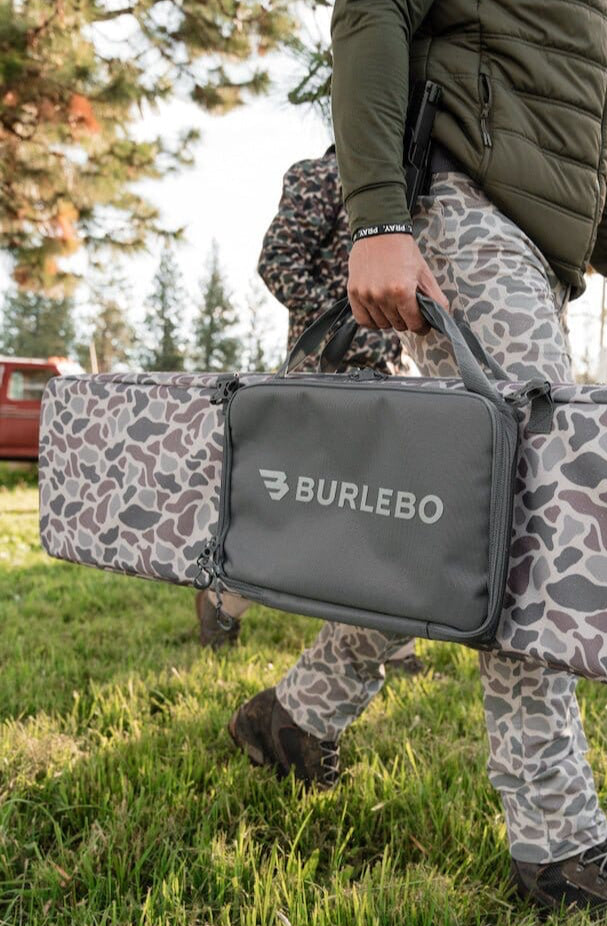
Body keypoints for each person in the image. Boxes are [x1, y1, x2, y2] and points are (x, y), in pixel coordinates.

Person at [227, 2, 607, 923]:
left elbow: (587, 131)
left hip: (537, 253)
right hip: (462, 209)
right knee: (532, 521)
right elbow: (373, 12)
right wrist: (378, 218)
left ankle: (297, 715)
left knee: (465, 525)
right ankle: (559, 844)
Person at [196, 147, 423, 676]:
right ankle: (222, 598)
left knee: (386, 511)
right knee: (304, 509)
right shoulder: (321, 176)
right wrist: (349, 317)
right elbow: (278, 260)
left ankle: (397, 648)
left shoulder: (409, 184)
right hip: (326, 375)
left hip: (389, 380)